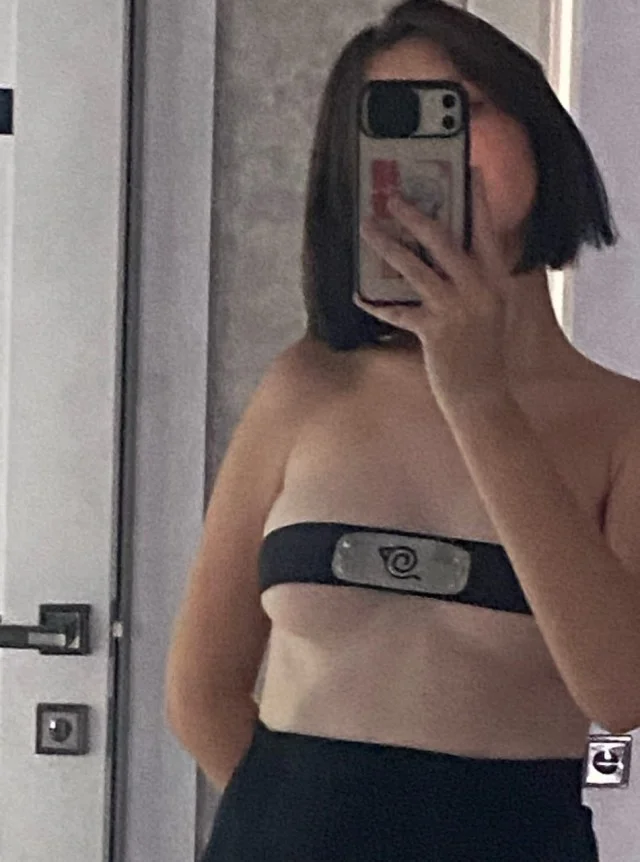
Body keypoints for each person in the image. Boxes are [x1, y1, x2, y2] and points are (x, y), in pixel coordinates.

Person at [165, 1, 640, 859]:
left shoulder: (622, 425)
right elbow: (199, 691)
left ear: (537, 130)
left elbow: (620, 690)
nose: (437, 151)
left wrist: (478, 398)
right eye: (392, 126)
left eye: (461, 109)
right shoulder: (307, 386)